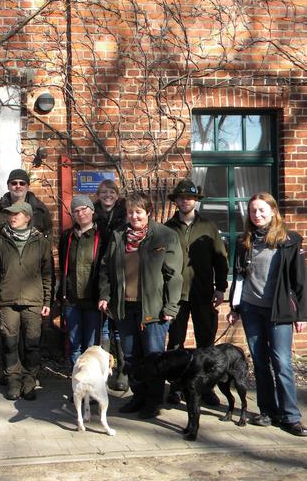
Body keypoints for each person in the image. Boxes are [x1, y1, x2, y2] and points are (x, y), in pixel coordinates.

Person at [227, 192, 307, 436]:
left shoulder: (289, 240)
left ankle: (290, 416)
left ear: (273, 211)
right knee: (260, 362)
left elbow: (300, 280)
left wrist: (302, 315)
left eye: (262, 210)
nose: (257, 215)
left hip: (279, 311)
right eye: (253, 211)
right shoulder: (244, 242)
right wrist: (235, 306)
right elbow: (239, 275)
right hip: (251, 309)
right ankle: (267, 411)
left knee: (281, 362)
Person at [98, 192, 183, 419]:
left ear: (148, 212)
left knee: (153, 358)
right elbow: (106, 269)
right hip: (125, 308)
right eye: (130, 212)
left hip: (153, 309)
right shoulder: (118, 236)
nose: (134, 216)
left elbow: (173, 276)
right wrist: (105, 295)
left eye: (138, 212)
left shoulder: (165, 236)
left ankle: (153, 401)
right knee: (131, 356)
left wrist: (171, 307)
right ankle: (138, 396)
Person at [164, 179, 229, 406]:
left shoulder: (208, 227)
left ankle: (206, 388)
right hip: (175, 296)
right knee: (175, 343)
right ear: (176, 201)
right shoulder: (168, 227)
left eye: (189, 197)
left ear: (195, 200)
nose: (185, 201)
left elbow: (220, 259)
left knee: (206, 344)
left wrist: (221, 287)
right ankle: (176, 387)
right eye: (181, 197)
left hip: (203, 294)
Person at [0, 201, 52, 401]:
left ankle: (29, 381)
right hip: (6, 300)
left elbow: (48, 275)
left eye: (16, 214)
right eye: (10, 214)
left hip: (33, 301)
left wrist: (47, 301)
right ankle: (13, 380)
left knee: (32, 344)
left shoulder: (41, 242)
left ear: (28, 217)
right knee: (9, 343)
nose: (12, 217)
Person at [58, 195, 102, 366]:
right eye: (76, 211)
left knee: (91, 347)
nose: (80, 213)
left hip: (92, 299)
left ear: (91, 210)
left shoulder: (102, 235)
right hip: (72, 299)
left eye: (84, 209)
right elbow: (63, 266)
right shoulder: (67, 237)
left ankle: (91, 385)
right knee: (75, 344)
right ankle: (77, 384)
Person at [94, 179, 128, 391]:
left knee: (119, 327)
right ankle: (104, 372)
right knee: (104, 327)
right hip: (97, 273)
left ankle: (123, 370)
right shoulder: (92, 214)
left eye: (111, 192)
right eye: (103, 192)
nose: (108, 195)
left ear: (117, 195)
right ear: (98, 195)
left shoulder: (125, 216)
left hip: (120, 273)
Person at [0, 169, 52, 240]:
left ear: (27, 187)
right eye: (14, 183)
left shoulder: (40, 210)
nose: (18, 186)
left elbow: (48, 236)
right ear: (8, 186)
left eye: (22, 183)